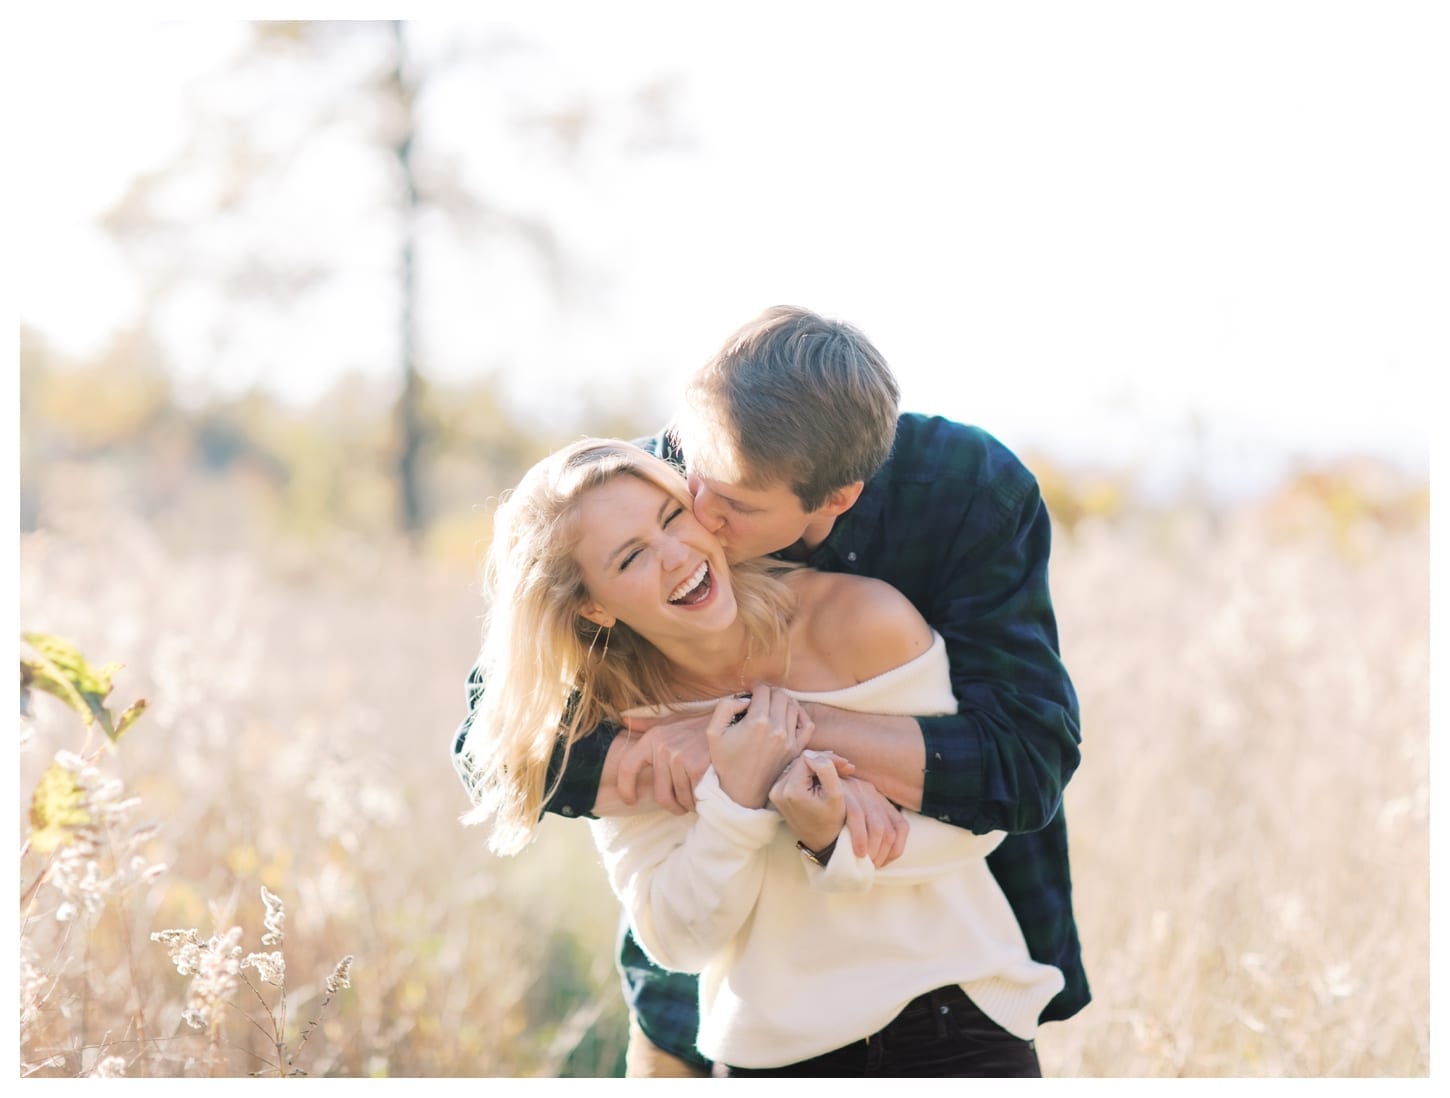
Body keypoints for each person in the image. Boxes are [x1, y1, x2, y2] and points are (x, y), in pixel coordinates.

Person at [452, 305, 1088, 1075]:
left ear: (837, 500)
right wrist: (731, 773)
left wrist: (765, 736)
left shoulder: (967, 497)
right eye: (693, 477)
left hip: (942, 978)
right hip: (730, 1000)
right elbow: (500, 728)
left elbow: (1019, 765)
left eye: (734, 504)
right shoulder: (653, 484)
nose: (700, 518)